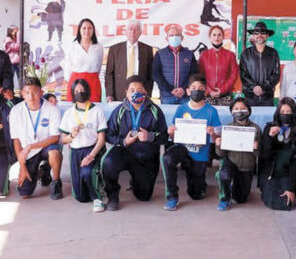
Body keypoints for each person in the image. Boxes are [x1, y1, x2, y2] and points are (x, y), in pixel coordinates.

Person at [102, 75, 168, 211]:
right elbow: (108, 134)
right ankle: (113, 196)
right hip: (125, 152)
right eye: (132, 90)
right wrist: (123, 141)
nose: (135, 93)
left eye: (139, 89)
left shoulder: (155, 111)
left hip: (146, 157)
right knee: (108, 162)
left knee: (144, 196)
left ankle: (136, 181)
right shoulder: (120, 110)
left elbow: (165, 137)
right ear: (126, 93)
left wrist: (150, 137)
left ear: (145, 92)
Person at [162, 74, 221, 210]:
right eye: (193, 88)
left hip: (200, 153)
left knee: (196, 194)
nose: (197, 91)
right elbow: (174, 137)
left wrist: (213, 134)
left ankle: (201, 183)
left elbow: (218, 138)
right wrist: (171, 133)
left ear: (205, 91)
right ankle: (172, 196)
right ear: (188, 91)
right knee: (167, 159)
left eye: (200, 88)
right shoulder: (181, 109)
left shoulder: (211, 111)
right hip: (182, 149)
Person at [9, 77, 63, 199]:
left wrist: (30, 146)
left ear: (41, 93)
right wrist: (22, 167)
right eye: (27, 93)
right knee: (24, 193)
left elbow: (55, 137)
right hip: (29, 153)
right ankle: (44, 171)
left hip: (46, 146)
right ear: (22, 94)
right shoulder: (16, 111)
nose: (31, 97)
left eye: (34, 92)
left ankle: (56, 182)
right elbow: (16, 140)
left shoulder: (52, 108)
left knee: (54, 152)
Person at [59, 79, 107, 212]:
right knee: (80, 197)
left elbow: (101, 139)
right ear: (73, 94)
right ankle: (94, 184)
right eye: (76, 91)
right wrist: (72, 136)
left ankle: (97, 199)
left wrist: (91, 156)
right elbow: (63, 140)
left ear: (88, 90)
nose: (80, 93)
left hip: (93, 149)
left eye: (82, 90)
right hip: (75, 152)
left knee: (87, 173)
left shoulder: (97, 111)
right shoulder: (69, 113)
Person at [259, 97, 296, 211]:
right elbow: (265, 155)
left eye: (288, 112)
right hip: (271, 173)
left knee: (286, 203)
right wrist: (269, 137)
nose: (285, 114)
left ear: (294, 113)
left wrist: (290, 187)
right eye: (283, 112)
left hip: (288, 173)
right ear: (278, 113)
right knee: (272, 201)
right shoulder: (269, 128)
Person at [215, 97, 261, 210]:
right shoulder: (228, 128)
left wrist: (256, 148)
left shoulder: (256, 128)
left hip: (246, 167)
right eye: (236, 108)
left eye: (243, 108)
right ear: (231, 111)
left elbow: (260, 155)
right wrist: (218, 145)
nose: (239, 111)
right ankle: (224, 198)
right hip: (231, 162)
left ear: (249, 111)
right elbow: (221, 154)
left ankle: (233, 187)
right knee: (224, 175)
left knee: (241, 199)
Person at [105, 20, 153, 102]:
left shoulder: (147, 49)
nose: (133, 32)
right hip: (119, 94)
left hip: (140, 94)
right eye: (130, 29)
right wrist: (109, 94)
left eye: (136, 29)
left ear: (140, 32)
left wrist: (147, 93)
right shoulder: (115, 49)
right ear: (126, 32)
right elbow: (109, 74)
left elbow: (150, 75)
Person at [152, 24, 198, 104]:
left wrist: (183, 89)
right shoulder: (160, 53)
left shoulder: (189, 54)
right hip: (167, 96)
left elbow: (194, 74)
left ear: (182, 38)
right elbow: (156, 74)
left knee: (186, 116)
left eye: (177, 35)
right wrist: (170, 89)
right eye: (171, 35)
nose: (174, 37)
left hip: (185, 96)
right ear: (166, 38)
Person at [239, 22, 280, 106]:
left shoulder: (273, 53)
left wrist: (262, 87)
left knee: (267, 119)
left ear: (268, 36)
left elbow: (276, 74)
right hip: (250, 97)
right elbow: (243, 74)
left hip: (267, 97)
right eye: (256, 33)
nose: (259, 35)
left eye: (263, 33)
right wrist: (254, 87)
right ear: (253, 36)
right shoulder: (246, 53)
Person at [65, 18, 103, 102]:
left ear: (93, 30)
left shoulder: (99, 47)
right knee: (75, 109)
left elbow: (99, 66)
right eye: (84, 28)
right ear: (79, 30)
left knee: (93, 109)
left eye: (90, 28)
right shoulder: (72, 46)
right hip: (75, 83)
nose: (87, 31)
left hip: (93, 82)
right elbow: (67, 68)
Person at [199, 25, 238, 106]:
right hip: (208, 95)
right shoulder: (204, 55)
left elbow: (233, 75)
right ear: (210, 37)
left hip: (226, 95)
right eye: (214, 35)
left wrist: (222, 90)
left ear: (223, 37)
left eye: (219, 35)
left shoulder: (230, 55)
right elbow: (200, 75)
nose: (217, 37)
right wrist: (209, 90)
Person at [0, 87, 22, 196]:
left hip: (9, 145)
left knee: (1, 190)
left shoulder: (17, 102)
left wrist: (11, 99)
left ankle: (43, 170)